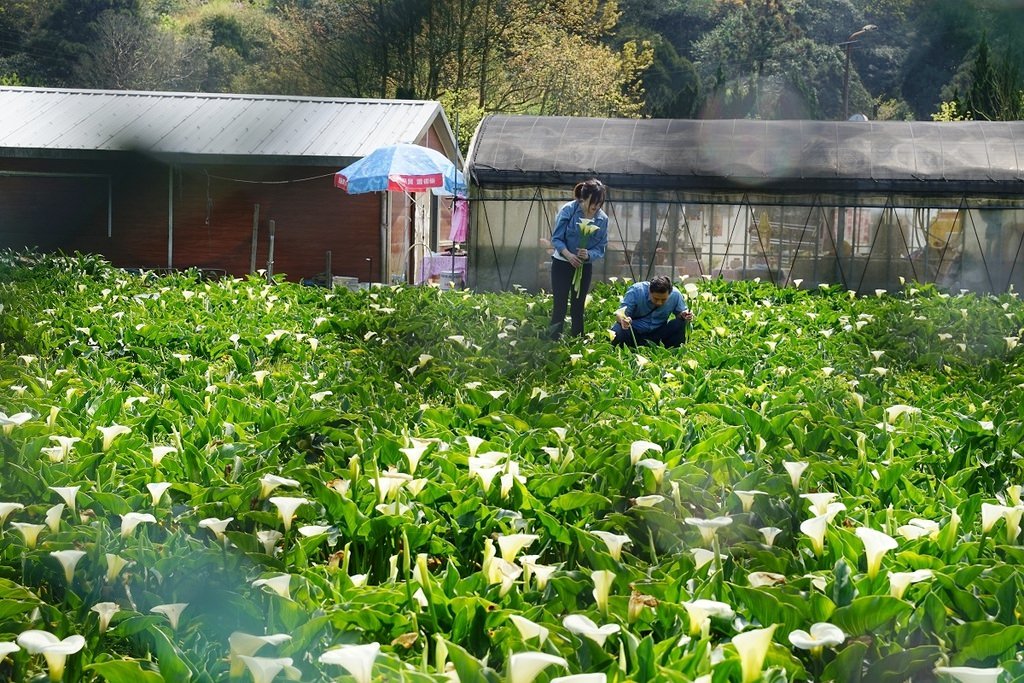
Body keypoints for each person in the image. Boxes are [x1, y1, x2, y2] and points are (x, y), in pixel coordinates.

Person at [548, 178, 609, 339]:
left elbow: (601, 247)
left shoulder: (602, 219)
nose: (595, 208)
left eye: (599, 204)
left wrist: (588, 254)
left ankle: (577, 342)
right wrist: (569, 256)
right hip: (562, 264)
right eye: (592, 203)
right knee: (559, 305)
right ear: (583, 198)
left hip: (583, 266)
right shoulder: (569, 210)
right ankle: (553, 341)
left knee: (578, 307)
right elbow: (556, 238)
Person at [610, 275, 693, 348]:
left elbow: (680, 314)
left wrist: (684, 315)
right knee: (618, 331)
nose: (659, 303)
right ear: (649, 291)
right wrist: (624, 320)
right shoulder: (636, 290)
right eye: (656, 299)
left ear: (669, 294)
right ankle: (628, 348)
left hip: (658, 333)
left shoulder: (675, 294)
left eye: (663, 300)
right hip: (634, 333)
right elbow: (619, 314)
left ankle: (671, 350)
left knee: (680, 324)